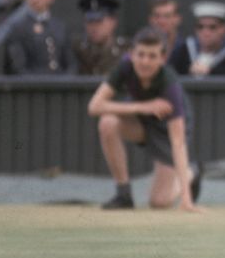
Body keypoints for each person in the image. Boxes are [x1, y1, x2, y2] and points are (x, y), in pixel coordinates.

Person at [87, 26, 202, 211]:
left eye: (152, 56)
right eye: (140, 54)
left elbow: (178, 142)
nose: (145, 62)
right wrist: (144, 107)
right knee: (108, 122)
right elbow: (94, 106)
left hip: (167, 133)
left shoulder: (170, 85)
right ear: (131, 54)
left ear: (163, 59)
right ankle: (123, 194)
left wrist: (187, 201)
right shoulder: (125, 67)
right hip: (142, 122)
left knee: (159, 202)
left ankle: (190, 173)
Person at [3, 0, 74, 74]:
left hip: (61, 84)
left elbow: (71, 63)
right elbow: (18, 68)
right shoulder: (18, 28)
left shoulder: (60, 26)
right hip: (33, 86)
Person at [169, 1, 225, 77]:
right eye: (200, 27)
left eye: (212, 27)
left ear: (224, 29)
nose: (205, 32)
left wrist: (211, 72)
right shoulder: (184, 51)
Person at [73, 0, 130, 77]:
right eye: (89, 22)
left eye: (99, 22)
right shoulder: (78, 49)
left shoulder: (125, 49)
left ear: (113, 22)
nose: (94, 27)